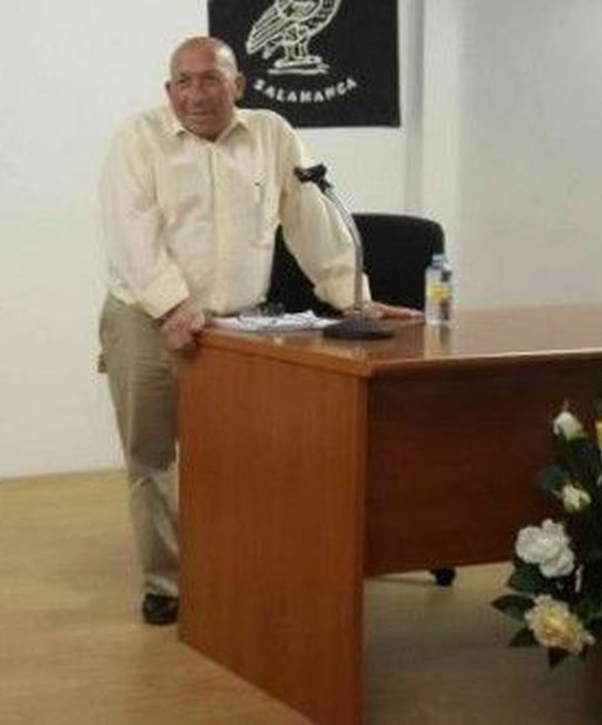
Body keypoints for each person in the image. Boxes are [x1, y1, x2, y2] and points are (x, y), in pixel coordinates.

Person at [98, 35, 418, 627]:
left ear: (238, 85)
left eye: (211, 79)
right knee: (153, 455)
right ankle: (166, 582)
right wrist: (172, 307)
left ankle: (229, 566)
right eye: (184, 82)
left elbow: (311, 220)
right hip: (146, 319)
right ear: (169, 90)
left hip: (236, 324)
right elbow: (131, 235)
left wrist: (355, 298)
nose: (197, 94)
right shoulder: (137, 140)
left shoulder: (272, 134)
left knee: (235, 454)